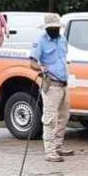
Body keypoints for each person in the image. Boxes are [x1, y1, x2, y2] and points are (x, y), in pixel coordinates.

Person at [30, 13, 72, 162]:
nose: (55, 30)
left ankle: (58, 146)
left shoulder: (62, 40)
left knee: (64, 116)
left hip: (64, 84)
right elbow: (32, 62)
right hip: (51, 84)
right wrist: (41, 68)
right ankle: (50, 151)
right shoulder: (41, 41)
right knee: (50, 119)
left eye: (56, 27)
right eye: (52, 28)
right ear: (47, 29)